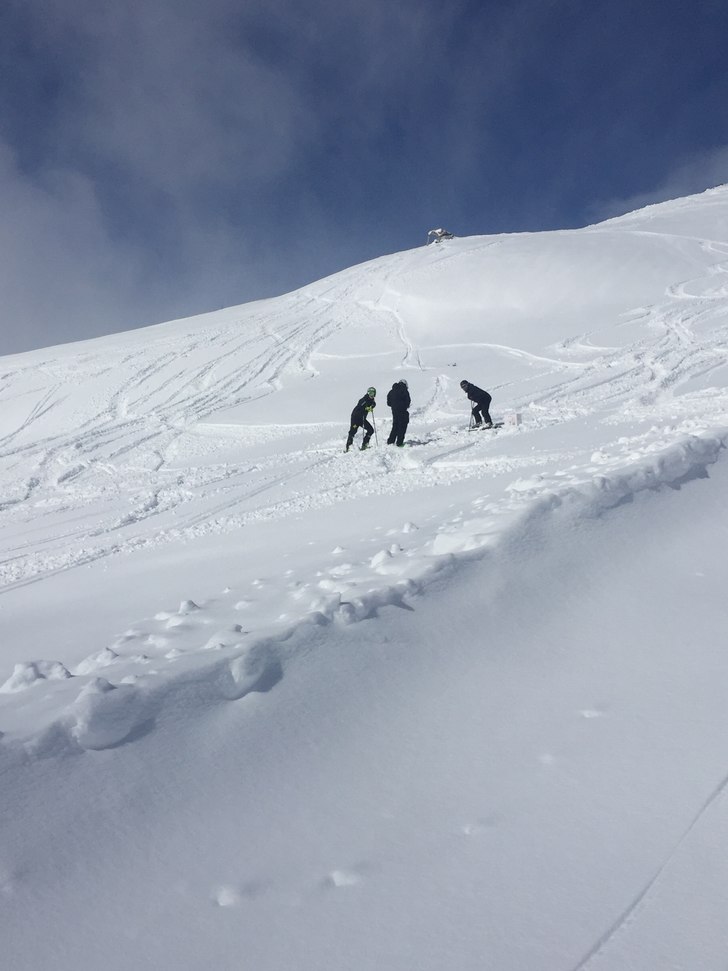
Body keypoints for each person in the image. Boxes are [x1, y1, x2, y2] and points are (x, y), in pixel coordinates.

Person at [386, 380, 411, 447]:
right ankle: (399, 443)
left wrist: (394, 405)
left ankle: (390, 441)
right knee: (402, 426)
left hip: (394, 411)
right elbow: (408, 401)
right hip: (402, 411)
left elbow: (388, 403)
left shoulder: (391, 391)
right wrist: (404, 406)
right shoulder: (404, 390)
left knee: (395, 425)